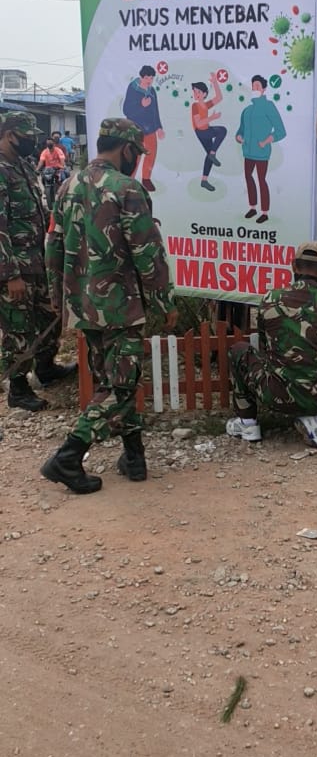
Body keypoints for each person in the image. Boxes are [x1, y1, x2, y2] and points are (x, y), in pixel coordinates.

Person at [41, 118, 177, 495]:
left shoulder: (67, 186)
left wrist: (58, 298)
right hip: (121, 306)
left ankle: (134, 457)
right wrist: (164, 300)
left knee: (114, 378)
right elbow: (148, 252)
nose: (137, 160)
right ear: (128, 149)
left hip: (84, 304)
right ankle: (69, 456)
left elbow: (53, 245)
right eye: (138, 153)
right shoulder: (126, 188)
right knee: (120, 385)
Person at [225, 240, 317, 449]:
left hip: (275, 395)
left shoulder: (271, 299)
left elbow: (264, 347)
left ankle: (248, 425)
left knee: (238, 350)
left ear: (294, 266)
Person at [0, 111, 76, 412]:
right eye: (26, 136)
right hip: (14, 267)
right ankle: (17, 388)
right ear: (9, 136)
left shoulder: (23, 166)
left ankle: (46, 367)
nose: (32, 140)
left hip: (37, 260)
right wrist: (10, 275)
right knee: (19, 327)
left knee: (49, 316)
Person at [235, 75, 286, 224]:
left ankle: (264, 212)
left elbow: (280, 130)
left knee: (261, 180)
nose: (254, 88)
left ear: (263, 89)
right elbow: (240, 131)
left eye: (257, 86)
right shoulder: (247, 110)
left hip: (262, 152)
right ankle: (252, 207)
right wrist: (239, 137)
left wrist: (266, 141)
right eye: (253, 86)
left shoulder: (268, 106)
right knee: (248, 178)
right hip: (248, 151)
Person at [122, 64, 164, 193]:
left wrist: (159, 127)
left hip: (150, 128)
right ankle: (130, 179)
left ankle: (146, 179)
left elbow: (155, 110)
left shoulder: (152, 91)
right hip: (136, 128)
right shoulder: (133, 88)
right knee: (136, 155)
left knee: (151, 153)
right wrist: (141, 105)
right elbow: (126, 110)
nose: (149, 81)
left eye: (152, 78)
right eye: (147, 78)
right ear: (141, 77)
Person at [191, 75, 228, 192]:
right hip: (202, 132)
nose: (196, 94)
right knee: (222, 130)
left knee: (209, 156)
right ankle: (212, 153)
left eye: (198, 92)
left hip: (205, 130)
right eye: (194, 91)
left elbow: (219, 98)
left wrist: (215, 82)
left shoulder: (205, 105)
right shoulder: (195, 106)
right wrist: (212, 117)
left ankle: (204, 180)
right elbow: (198, 123)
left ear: (205, 94)